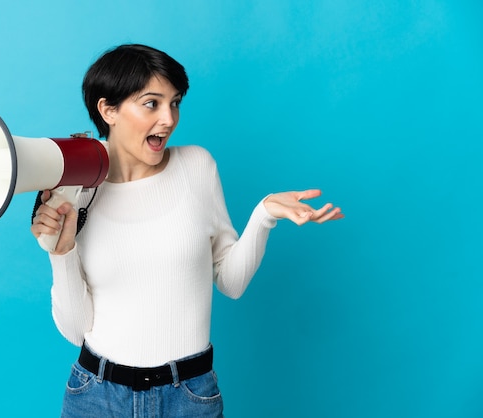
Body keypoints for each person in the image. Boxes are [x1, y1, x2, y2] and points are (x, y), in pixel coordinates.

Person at [31, 44, 344, 418]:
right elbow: (76, 331)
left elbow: (231, 282)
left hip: (188, 398)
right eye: (152, 103)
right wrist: (61, 251)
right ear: (108, 110)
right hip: (97, 397)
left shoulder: (197, 167)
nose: (168, 119)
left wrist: (264, 215)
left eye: (175, 103)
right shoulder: (78, 188)